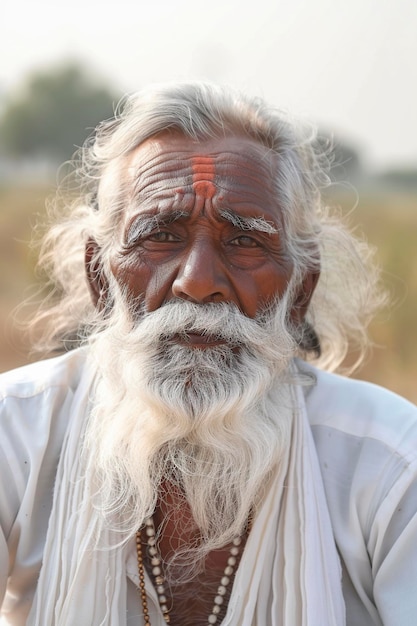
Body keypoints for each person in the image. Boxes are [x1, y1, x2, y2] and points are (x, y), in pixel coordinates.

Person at [0, 81, 416, 626]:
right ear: (101, 278)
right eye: (160, 236)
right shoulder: (16, 431)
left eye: (244, 241)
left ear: (300, 292)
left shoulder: (391, 466)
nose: (197, 284)